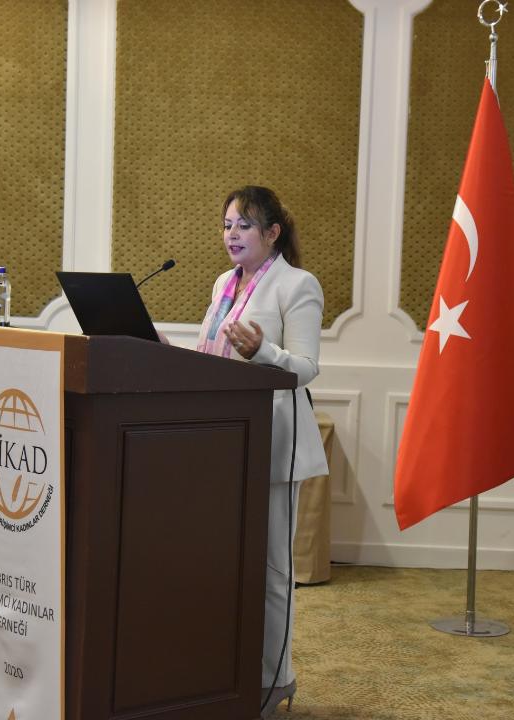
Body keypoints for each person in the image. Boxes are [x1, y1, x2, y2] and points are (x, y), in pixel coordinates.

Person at [195, 185, 328, 717]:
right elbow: (214, 357)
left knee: (272, 573)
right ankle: (226, 675)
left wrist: (263, 351)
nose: (232, 234)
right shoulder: (224, 283)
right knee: (225, 566)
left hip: (274, 444)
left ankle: (275, 681)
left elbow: (305, 368)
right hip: (223, 441)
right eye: (227, 224)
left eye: (244, 225)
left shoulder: (297, 285)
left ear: (273, 233)